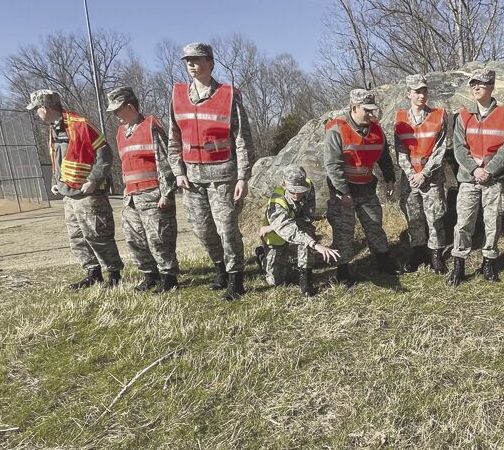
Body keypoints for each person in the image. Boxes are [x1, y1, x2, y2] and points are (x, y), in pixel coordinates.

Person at [168, 42, 256, 301]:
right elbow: (174, 138)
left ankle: (236, 279)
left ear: (210, 63)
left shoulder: (228, 95)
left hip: (223, 176)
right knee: (202, 230)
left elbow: (242, 138)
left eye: (197, 60)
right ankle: (220, 269)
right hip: (192, 178)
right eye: (187, 61)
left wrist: (243, 176)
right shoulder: (178, 96)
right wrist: (178, 171)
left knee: (227, 229)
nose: (191, 65)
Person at [29, 89, 123, 289]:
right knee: (77, 237)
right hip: (69, 195)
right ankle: (93, 273)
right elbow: (59, 158)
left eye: (37, 109)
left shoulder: (79, 125)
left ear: (45, 107)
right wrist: (57, 181)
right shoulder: (54, 128)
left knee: (98, 235)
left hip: (88, 195)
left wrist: (94, 180)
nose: (36, 113)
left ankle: (114, 274)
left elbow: (105, 154)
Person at [107, 86, 179, 293]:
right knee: (134, 238)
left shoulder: (150, 126)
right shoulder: (121, 132)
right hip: (131, 196)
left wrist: (166, 193)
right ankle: (150, 275)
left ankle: (169, 277)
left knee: (159, 238)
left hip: (153, 194)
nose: (115, 115)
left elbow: (165, 161)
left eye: (118, 110)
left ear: (130, 107)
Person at [323, 88, 398, 284]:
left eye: (373, 110)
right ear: (354, 107)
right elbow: (332, 164)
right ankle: (343, 271)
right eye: (367, 110)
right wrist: (343, 191)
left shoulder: (376, 129)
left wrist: (389, 178)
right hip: (344, 191)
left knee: (375, 226)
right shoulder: (337, 129)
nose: (371, 114)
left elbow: (384, 157)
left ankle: (383, 261)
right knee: (343, 231)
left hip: (367, 189)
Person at [449, 68, 504, 285]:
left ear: (492, 86)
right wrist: (474, 169)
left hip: (493, 180)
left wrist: (489, 170)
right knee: (463, 222)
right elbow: (459, 147)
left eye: (482, 83)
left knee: (492, 222)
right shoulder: (463, 115)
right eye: (473, 84)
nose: (476, 87)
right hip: (469, 179)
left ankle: (489, 262)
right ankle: (458, 263)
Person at [393, 74, 449, 274]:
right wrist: (411, 175)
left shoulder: (438, 116)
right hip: (410, 180)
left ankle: (436, 256)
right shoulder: (400, 119)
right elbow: (400, 151)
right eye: (417, 91)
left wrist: (425, 173)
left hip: (431, 178)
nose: (422, 95)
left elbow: (441, 150)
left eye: (424, 91)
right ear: (408, 94)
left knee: (435, 217)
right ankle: (417, 253)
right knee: (414, 218)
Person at [256, 165, 341, 297]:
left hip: (291, 226)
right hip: (274, 236)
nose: (297, 195)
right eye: (293, 191)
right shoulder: (276, 202)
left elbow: (308, 217)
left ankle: (305, 280)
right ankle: (262, 255)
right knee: (276, 282)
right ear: (284, 186)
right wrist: (317, 245)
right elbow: (289, 230)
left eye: (300, 190)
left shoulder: (308, 186)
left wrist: (305, 236)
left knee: (306, 234)